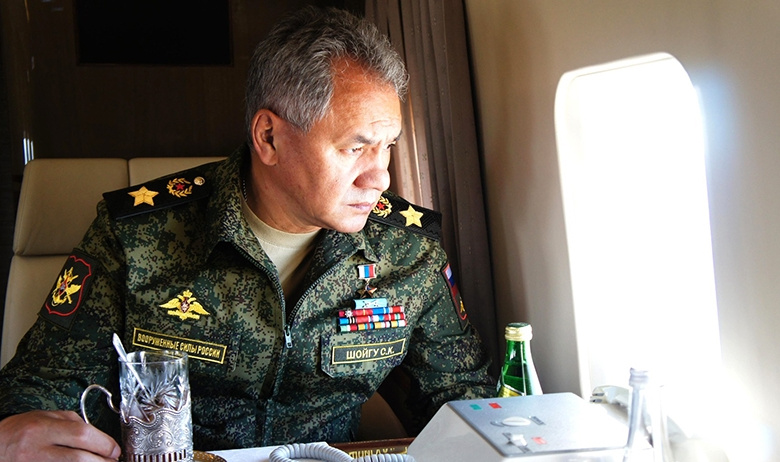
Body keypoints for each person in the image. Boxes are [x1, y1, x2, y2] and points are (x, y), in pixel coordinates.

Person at [0, 6, 494, 461]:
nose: (380, 177)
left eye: (388, 146)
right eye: (354, 148)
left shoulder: (408, 251)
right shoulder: (134, 238)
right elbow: (40, 388)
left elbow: (464, 400)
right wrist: (14, 430)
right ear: (269, 137)